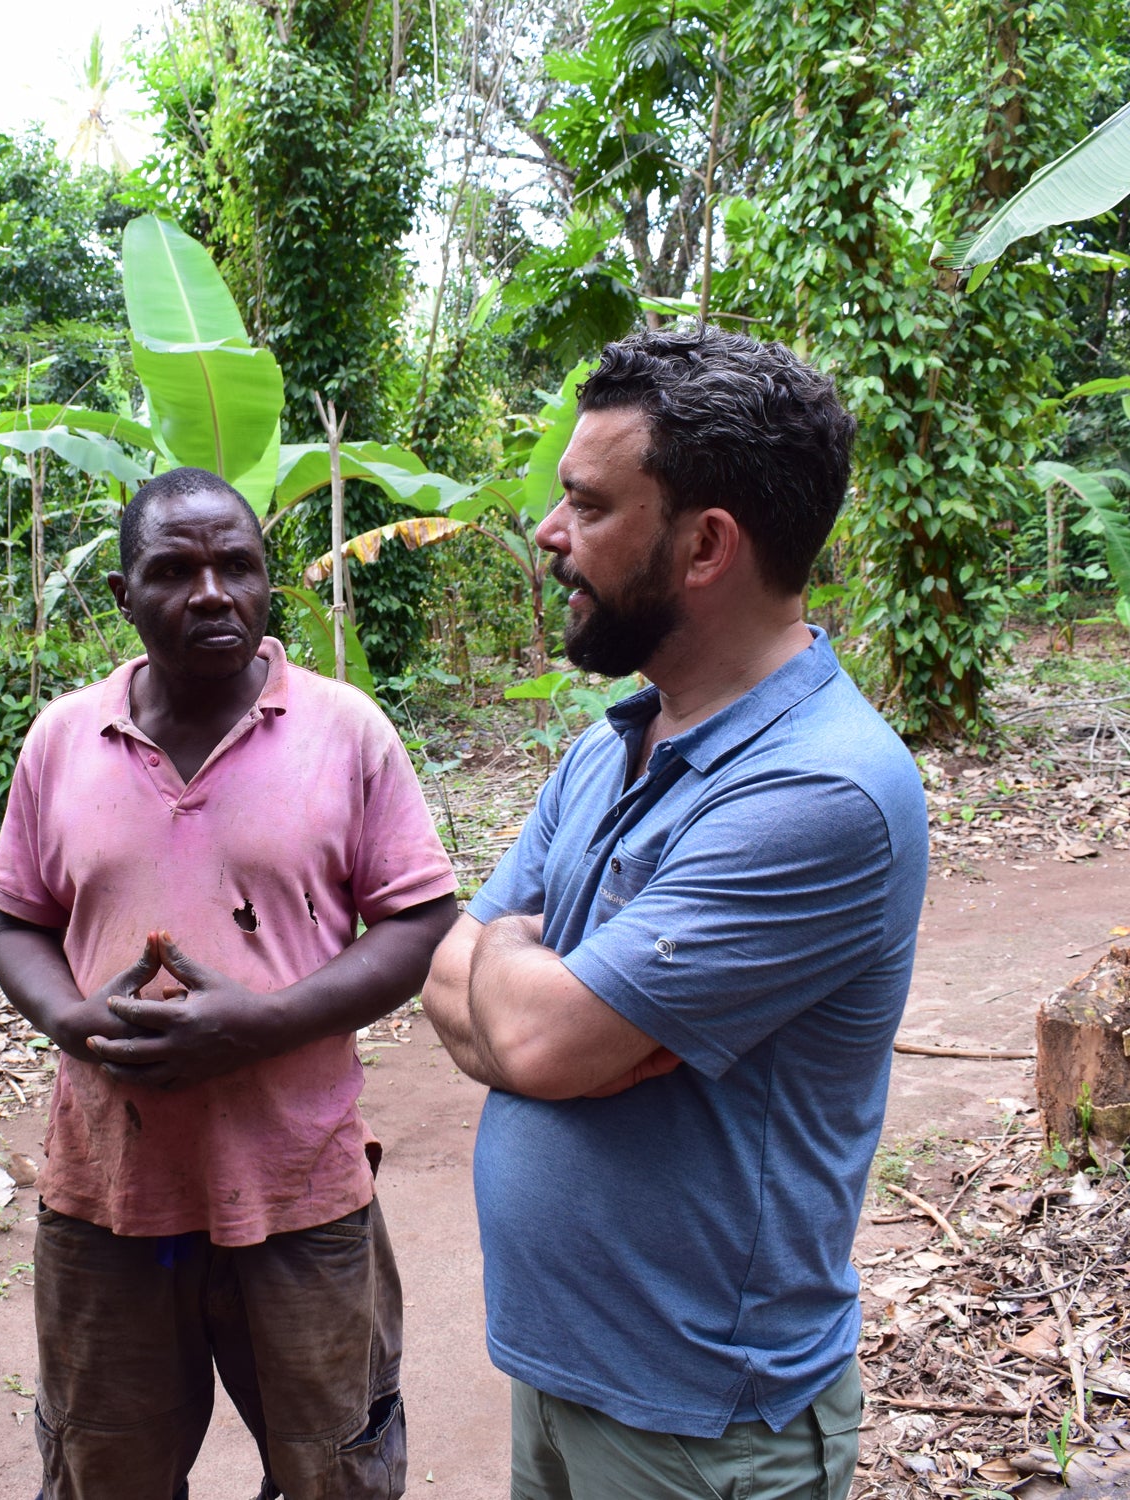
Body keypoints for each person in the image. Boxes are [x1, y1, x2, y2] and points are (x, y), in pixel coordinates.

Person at [421, 330, 927, 1499]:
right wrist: (515, 973)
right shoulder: (614, 745)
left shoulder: (821, 790)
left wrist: (523, 991)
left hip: (701, 1430)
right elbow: (449, 980)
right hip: (562, 1382)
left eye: (586, 506)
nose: (548, 538)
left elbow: (531, 1036)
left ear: (705, 545)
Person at [0, 467, 457, 1500]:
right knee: (104, 1468)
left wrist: (261, 1024)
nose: (209, 592)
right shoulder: (61, 738)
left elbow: (418, 917)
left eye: (234, 565)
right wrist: (71, 1017)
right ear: (122, 595)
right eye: (174, 569)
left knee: (334, 1468)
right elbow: (16, 917)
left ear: (264, 583)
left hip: (299, 1186)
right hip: (107, 1197)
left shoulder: (344, 731)